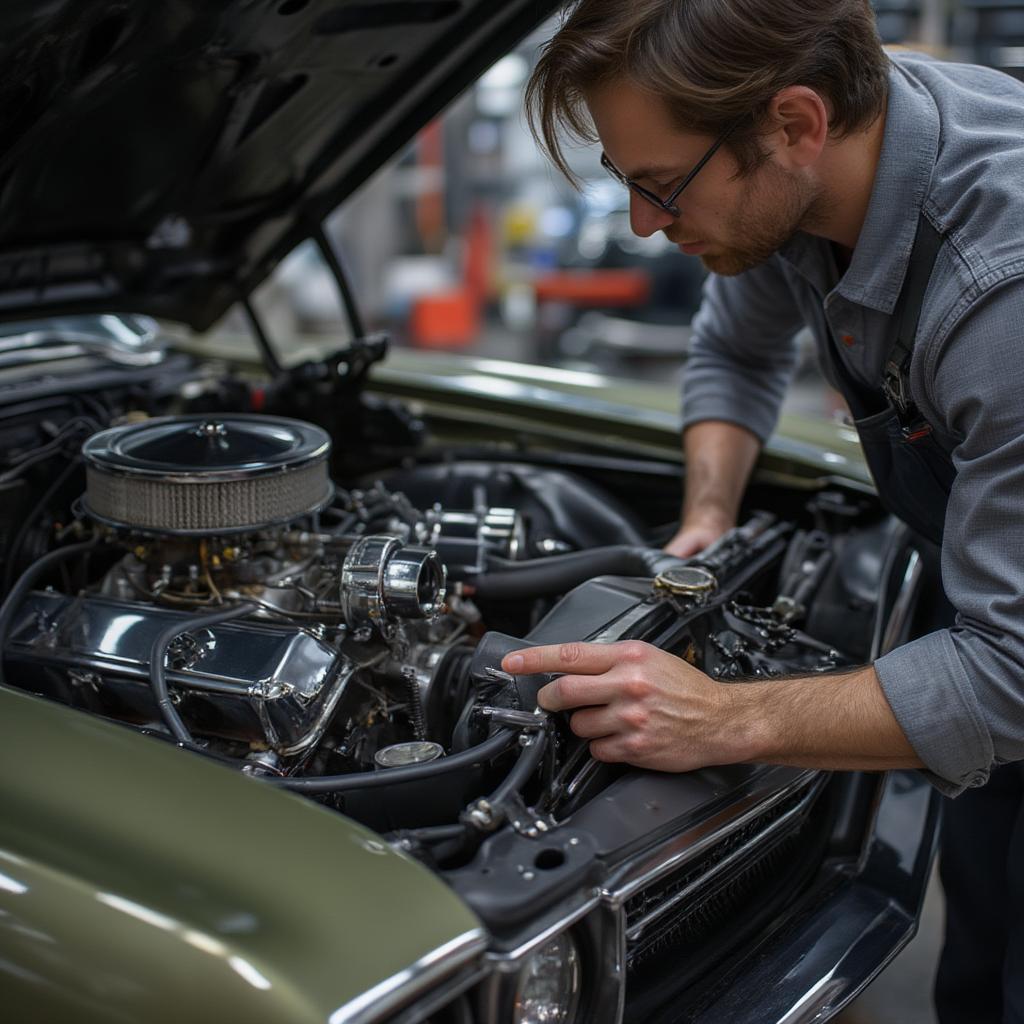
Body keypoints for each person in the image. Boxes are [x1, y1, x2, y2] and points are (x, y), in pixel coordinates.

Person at [503, 2, 1024, 1021]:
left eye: (661, 186)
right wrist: (707, 514)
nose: (643, 224)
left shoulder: (999, 295)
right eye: (626, 184)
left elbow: (1010, 679)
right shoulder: (829, 170)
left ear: (793, 124)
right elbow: (736, 351)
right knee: (979, 944)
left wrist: (727, 718)